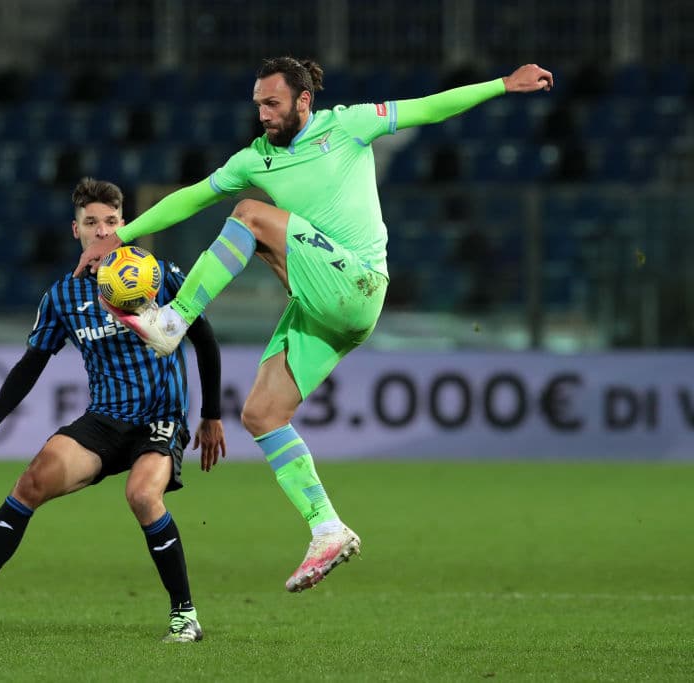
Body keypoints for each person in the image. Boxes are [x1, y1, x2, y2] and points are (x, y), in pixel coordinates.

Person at [75, 58, 554, 592]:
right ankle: (327, 527)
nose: (262, 114)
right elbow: (192, 196)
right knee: (261, 413)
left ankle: (174, 321)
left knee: (250, 216)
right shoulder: (254, 159)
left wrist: (503, 86)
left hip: (360, 284)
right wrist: (123, 234)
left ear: (304, 101)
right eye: (258, 104)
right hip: (323, 308)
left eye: (272, 103)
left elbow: (429, 109)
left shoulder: (347, 125)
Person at [0, 177, 226, 643]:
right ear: (75, 231)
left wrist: (212, 413)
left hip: (159, 418)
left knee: (143, 497)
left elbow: (204, 340)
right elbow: (31, 363)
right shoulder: (64, 296)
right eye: (91, 223)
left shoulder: (158, 275)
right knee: (30, 482)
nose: (102, 231)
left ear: (125, 225)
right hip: (103, 420)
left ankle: (185, 615)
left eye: (111, 222)